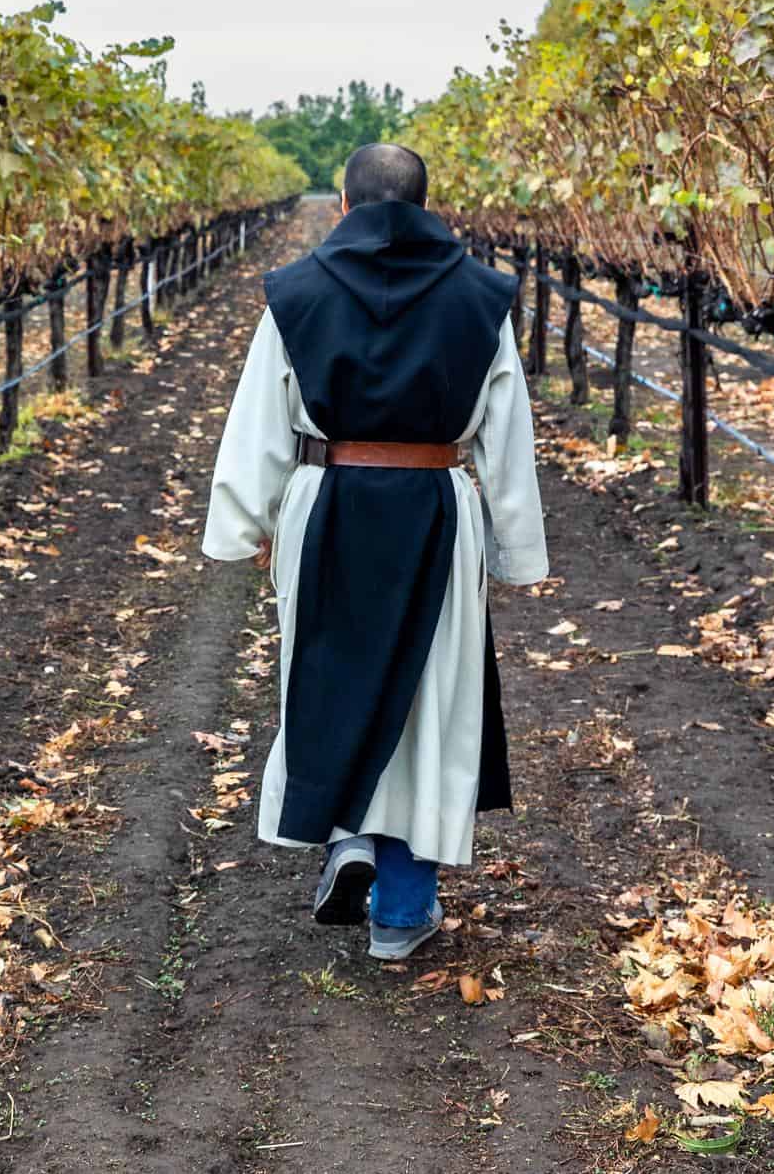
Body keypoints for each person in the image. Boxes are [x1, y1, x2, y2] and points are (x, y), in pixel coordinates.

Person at [202, 143, 548, 960]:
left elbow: (262, 417)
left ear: (347, 207)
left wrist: (246, 524)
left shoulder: (296, 294)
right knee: (430, 704)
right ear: (430, 205)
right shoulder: (482, 299)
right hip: (436, 508)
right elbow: (506, 434)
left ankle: (348, 838)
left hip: (329, 505)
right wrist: (516, 547)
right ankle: (400, 910)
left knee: (330, 678)